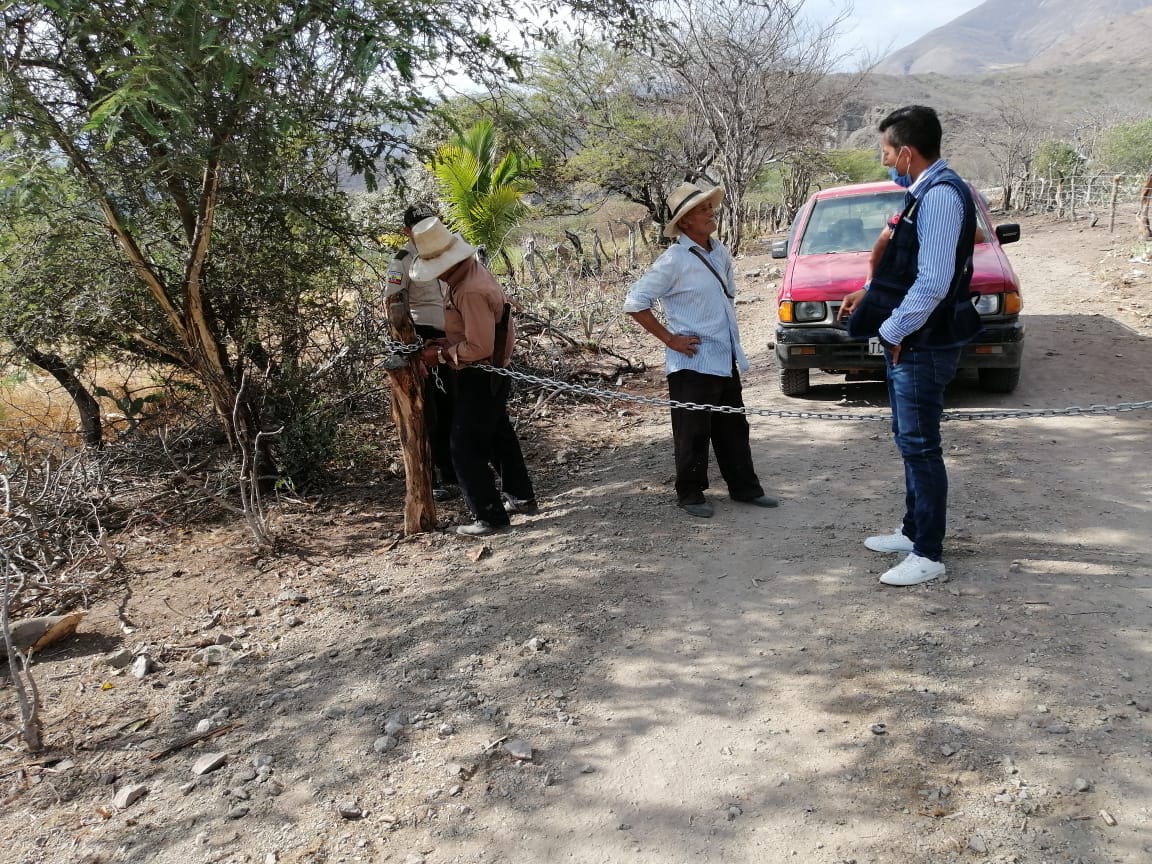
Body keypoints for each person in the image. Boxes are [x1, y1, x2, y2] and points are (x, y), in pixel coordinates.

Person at [838, 105, 982, 587]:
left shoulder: (940, 197)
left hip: (923, 345)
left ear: (906, 152)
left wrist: (892, 331)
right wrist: (870, 293)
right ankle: (912, 529)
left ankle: (928, 553)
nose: (884, 162)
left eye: (886, 153)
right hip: (915, 341)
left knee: (921, 447)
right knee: (908, 440)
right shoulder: (924, 193)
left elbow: (933, 283)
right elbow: (906, 269)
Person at [623, 181, 778, 519]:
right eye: (703, 209)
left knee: (733, 427)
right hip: (691, 362)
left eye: (710, 207)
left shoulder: (719, 251)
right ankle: (690, 494)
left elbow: (727, 296)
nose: (711, 213)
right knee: (692, 432)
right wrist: (670, 339)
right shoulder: (673, 260)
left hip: (723, 355)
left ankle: (745, 488)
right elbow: (635, 302)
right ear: (685, 221)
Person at [410, 218, 536, 537]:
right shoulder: (469, 276)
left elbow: (479, 346)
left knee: (463, 447)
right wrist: (446, 343)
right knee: (497, 434)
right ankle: (521, 497)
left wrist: (440, 356)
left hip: (482, 372)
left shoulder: (468, 290)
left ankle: (490, 516)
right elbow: (474, 333)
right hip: (490, 370)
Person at [383, 202, 457, 500]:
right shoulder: (402, 260)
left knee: (453, 405)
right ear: (407, 231)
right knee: (429, 412)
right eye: (419, 227)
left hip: (451, 336)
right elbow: (393, 304)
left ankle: (456, 470)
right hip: (421, 339)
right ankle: (436, 476)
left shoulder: (445, 249)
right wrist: (410, 347)